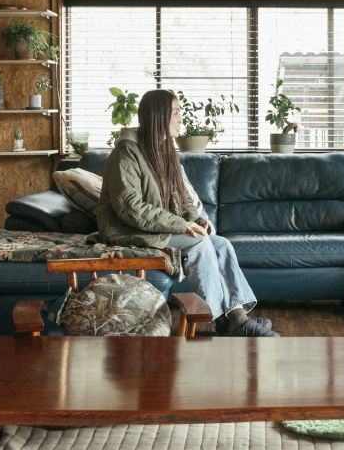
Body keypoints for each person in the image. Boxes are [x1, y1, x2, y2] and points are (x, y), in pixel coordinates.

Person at [95, 89, 278, 337]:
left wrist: (198, 220)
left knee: (221, 244)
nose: (181, 118)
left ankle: (235, 320)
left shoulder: (165, 151)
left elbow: (182, 201)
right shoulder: (125, 153)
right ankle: (228, 321)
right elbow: (131, 209)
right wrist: (182, 226)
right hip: (130, 230)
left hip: (160, 227)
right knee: (199, 244)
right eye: (177, 112)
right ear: (159, 116)